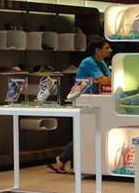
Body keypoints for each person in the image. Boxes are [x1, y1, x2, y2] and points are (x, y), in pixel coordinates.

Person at [47, 37, 112, 174]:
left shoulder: (101, 63)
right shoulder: (89, 62)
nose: (110, 50)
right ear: (98, 50)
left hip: (93, 100)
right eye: (107, 48)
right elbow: (106, 80)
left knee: (84, 132)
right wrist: (104, 80)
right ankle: (62, 159)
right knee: (83, 133)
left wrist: (104, 80)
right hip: (84, 100)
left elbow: (108, 79)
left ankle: (71, 165)